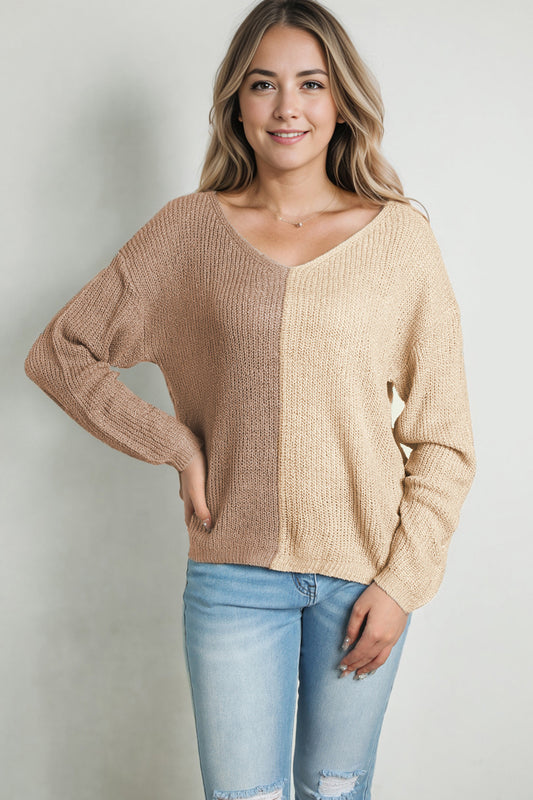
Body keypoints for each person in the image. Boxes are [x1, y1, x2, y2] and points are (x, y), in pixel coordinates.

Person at [24, 1, 477, 798]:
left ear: (341, 102)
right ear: (237, 101)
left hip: (363, 580)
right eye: (263, 84)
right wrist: (174, 443)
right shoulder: (188, 232)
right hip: (232, 579)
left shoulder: (399, 239)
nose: (287, 107)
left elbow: (443, 438)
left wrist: (401, 584)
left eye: (311, 83)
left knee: (335, 792)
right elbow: (61, 351)